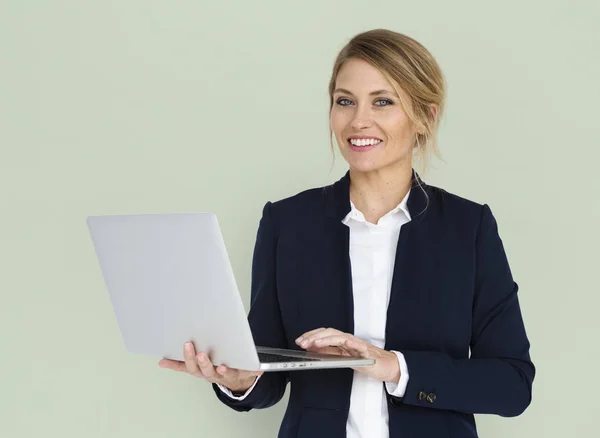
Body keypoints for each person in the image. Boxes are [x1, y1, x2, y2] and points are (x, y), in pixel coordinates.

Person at [158, 28, 535, 438]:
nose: (358, 120)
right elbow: (267, 376)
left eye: (383, 102)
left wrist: (391, 365)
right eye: (344, 101)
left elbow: (512, 385)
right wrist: (237, 380)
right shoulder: (287, 222)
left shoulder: (468, 227)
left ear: (426, 117)